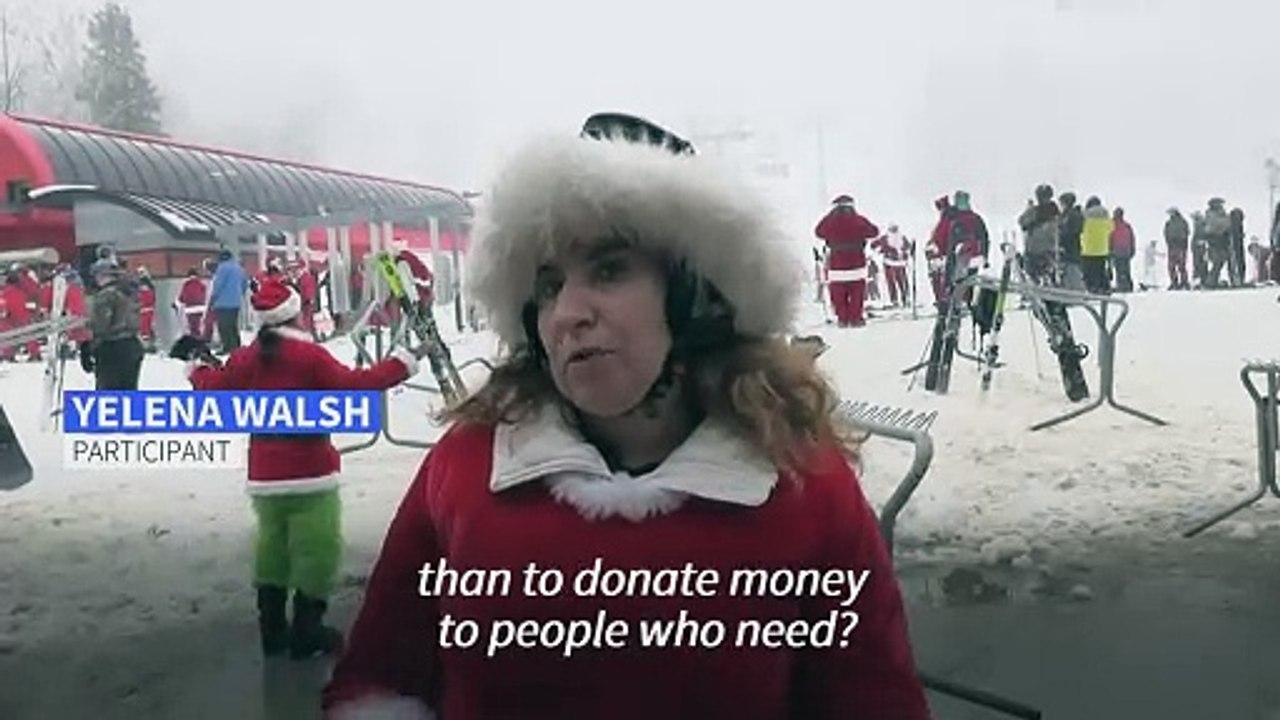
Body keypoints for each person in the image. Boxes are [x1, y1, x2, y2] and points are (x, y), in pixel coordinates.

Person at [322, 114, 930, 719]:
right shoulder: (466, 465)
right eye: (550, 286)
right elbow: (379, 675)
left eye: (609, 270)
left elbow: (873, 697)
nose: (568, 314)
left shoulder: (804, 482)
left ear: (696, 296)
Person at [184, 277, 424, 660]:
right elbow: (356, 385)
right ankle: (307, 630)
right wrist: (404, 363)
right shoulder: (310, 358)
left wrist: (196, 372)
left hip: (264, 478)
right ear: (296, 315)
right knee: (317, 551)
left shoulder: (246, 358)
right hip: (311, 475)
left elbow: (215, 388)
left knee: (272, 549)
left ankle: (273, 631)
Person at [814, 194, 880, 327]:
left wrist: (830, 217)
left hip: (837, 263)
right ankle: (856, 318)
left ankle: (842, 319)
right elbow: (874, 232)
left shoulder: (830, 221)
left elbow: (818, 232)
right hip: (857, 262)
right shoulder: (859, 220)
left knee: (838, 292)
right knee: (857, 292)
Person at [81, 259, 144, 390]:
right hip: (132, 345)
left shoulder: (105, 295)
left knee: (108, 395)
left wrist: (87, 345)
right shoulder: (130, 292)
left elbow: (101, 325)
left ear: (103, 275)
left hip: (112, 349)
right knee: (128, 393)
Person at [209, 249, 248, 353]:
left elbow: (218, 285)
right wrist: (240, 294)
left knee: (224, 326)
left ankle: (228, 347)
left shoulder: (222, 268)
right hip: (236, 302)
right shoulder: (239, 268)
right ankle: (236, 346)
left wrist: (213, 299)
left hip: (223, 303)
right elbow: (245, 284)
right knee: (233, 326)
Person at [1079, 196, 1112, 294]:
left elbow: (1080, 229)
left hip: (1087, 248)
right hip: (1102, 248)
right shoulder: (1105, 214)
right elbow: (1111, 228)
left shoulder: (1085, 215)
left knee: (1089, 270)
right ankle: (1104, 287)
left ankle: (1092, 288)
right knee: (1100, 269)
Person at [1109, 207, 1136, 293]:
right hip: (1126, 251)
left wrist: (1109, 249)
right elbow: (1132, 238)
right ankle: (1128, 285)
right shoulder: (1127, 226)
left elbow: (1109, 238)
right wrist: (1132, 249)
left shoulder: (1112, 225)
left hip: (1116, 251)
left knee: (1119, 270)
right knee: (1126, 269)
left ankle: (1121, 285)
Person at [1163, 207, 1190, 290]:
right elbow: (1166, 234)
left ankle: (1182, 282)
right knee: (1173, 266)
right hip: (1174, 246)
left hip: (1179, 246)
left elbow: (1186, 233)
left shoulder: (1181, 222)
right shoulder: (1170, 223)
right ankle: (1176, 282)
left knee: (1180, 266)